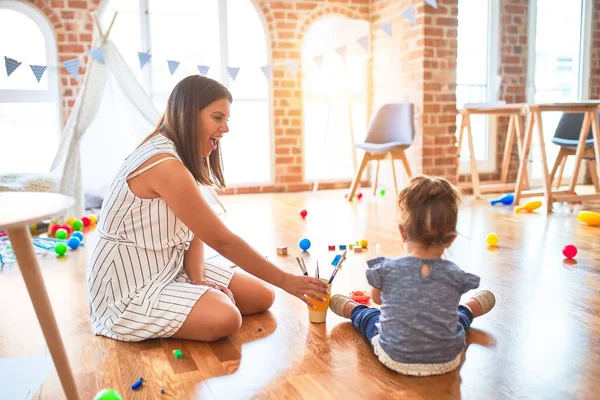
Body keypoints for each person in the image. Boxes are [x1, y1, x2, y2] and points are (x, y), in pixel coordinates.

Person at [86, 75, 328, 342]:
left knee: (262, 296)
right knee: (226, 317)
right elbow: (222, 241)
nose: (225, 128)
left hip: (168, 267)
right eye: (217, 118)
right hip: (127, 290)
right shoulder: (164, 165)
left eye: (226, 119)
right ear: (188, 115)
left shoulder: (179, 156)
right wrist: (287, 280)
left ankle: (188, 298)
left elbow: (194, 229)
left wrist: (198, 277)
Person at [328, 175, 496, 376]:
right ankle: (471, 308)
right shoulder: (455, 274)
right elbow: (445, 304)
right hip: (447, 358)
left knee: (372, 317)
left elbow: (376, 299)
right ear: (451, 239)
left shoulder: (387, 268)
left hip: (395, 356)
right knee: (456, 319)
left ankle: (353, 310)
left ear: (402, 232)